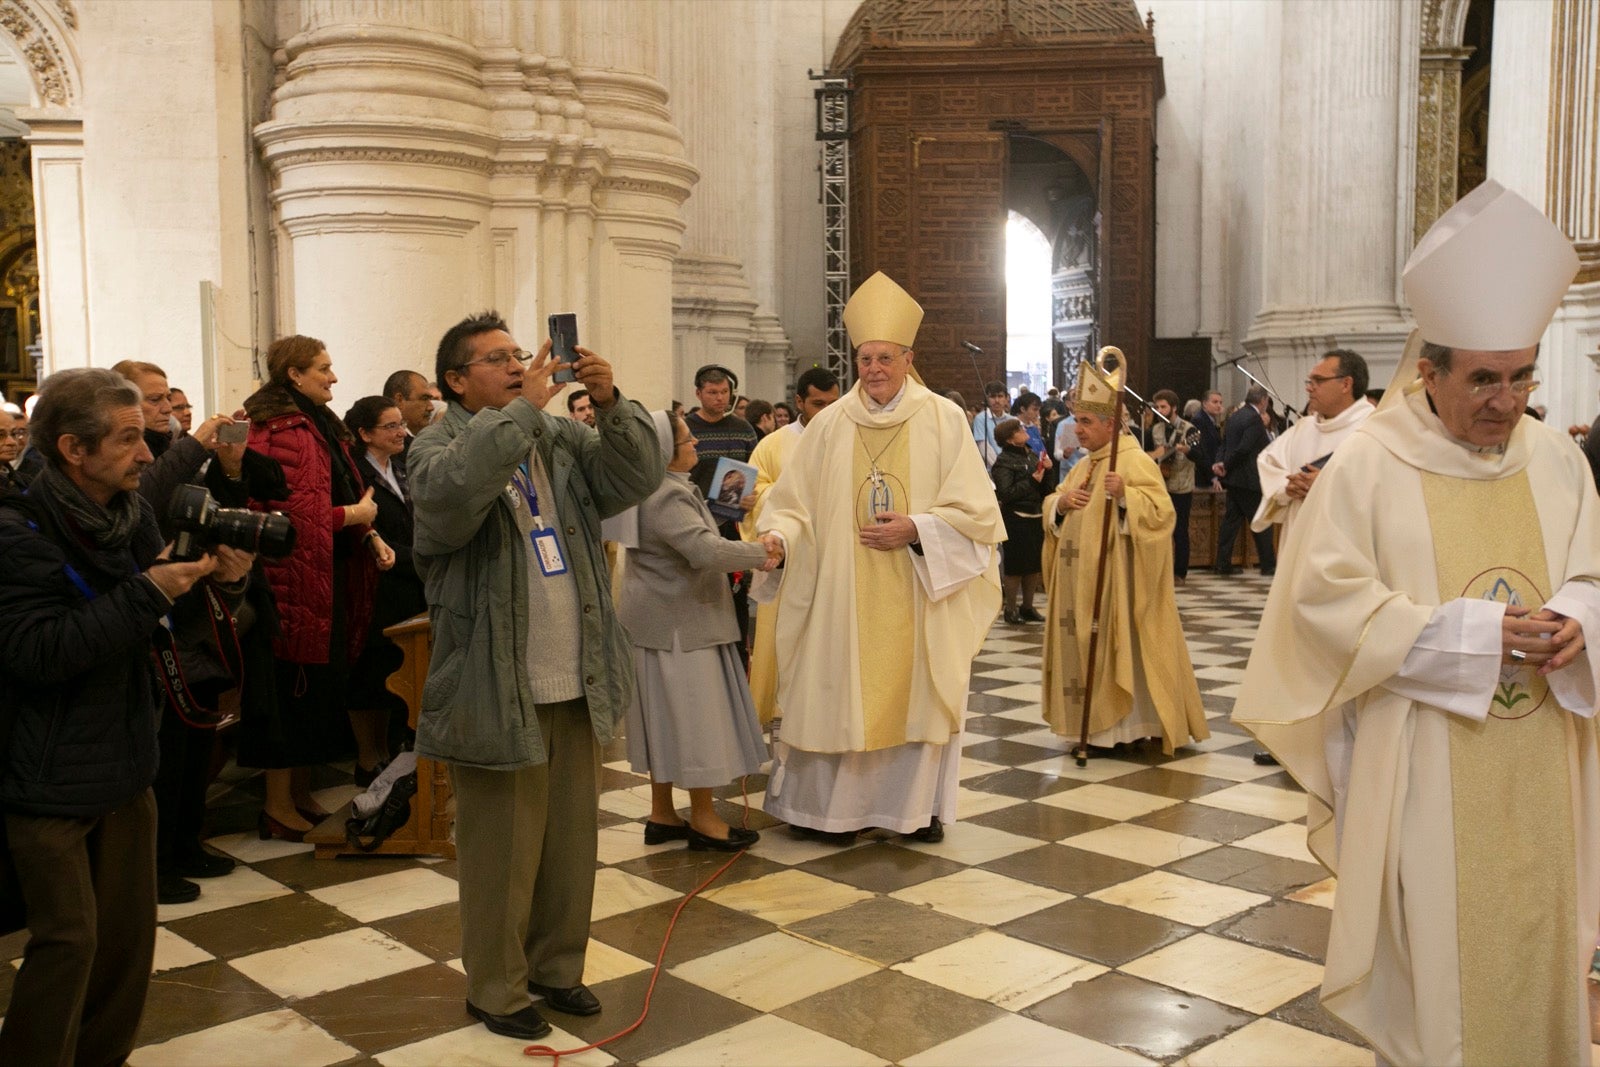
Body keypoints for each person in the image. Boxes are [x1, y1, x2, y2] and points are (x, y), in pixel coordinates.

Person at [1235, 180, 1600, 1067]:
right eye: (1484, 378)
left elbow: (1593, 570)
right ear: (1427, 370)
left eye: (1522, 377)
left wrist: (1579, 619)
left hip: (1546, 755)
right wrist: (1482, 636)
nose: (1506, 402)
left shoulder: (1558, 461)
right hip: (1426, 758)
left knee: (1543, 928)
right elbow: (1323, 604)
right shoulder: (1369, 464)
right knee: (1442, 947)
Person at [409, 310, 662, 1041]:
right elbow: (452, 498)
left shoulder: (551, 435)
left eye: (518, 354)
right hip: (497, 680)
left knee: (567, 844)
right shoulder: (437, 443)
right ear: (455, 381)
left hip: (573, 673)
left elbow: (633, 476)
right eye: (496, 359)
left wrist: (613, 406)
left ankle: (557, 967)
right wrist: (523, 411)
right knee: (501, 851)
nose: (517, 366)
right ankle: (495, 984)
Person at [0, 368, 253, 1066]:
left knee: (125, 942)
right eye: (130, 439)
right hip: (44, 770)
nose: (149, 455)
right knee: (68, 942)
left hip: (126, 754)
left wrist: (218, 575)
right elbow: (37, 652)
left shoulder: (132, 511)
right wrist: (150, 591)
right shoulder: (17, 529)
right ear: (73, 448)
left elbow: (163, 607)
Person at [757, 271, 1003, 845]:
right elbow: (794, 505)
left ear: (907, 358)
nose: (873, 369)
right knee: (834, 690)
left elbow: (977, 512)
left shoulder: (942, 417)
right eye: (865, 358)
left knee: (914, 695)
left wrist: (918, 527)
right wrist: (780, 539)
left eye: (885, 358)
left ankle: (909, 812)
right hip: (840, 595)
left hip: (917, 589)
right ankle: (833, 814)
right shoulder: (830, 424)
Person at [244, 336, 394, 840]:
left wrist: (367, 533)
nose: (333, 377)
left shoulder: (315, 423)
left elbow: (342, 489)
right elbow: (285, 513)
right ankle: (276, 806)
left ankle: (298, 796)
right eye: (323, 368)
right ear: (294, 375)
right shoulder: (279, 428)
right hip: (292, 579)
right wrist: (354, 516)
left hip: (323, 575)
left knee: (313, 697)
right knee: (291, 696)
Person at [621, 411, 774, 852]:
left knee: (664, 721)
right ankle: (704, 819)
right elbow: (702, 551)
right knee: (694, 723)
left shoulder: (646, 487)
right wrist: (761, 553)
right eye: (687, 441)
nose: (696, 447)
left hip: (656, 622)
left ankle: (662, 813)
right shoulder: (665, 495)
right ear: (666, 451)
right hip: (682, 628)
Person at [1040, 358, 1208, 753]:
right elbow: (1054, 502)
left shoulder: (1132, 462)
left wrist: (1126, 498)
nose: (1077, 430)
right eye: (1076, 421)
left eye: (1085, 422)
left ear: (1111, 425)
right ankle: (1094, 728)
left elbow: (1162, 516)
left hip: (1121, 587)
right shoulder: (1084, 465)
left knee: (1123, 651)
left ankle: (1128, 728)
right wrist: (1060, 505)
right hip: (1077, 587)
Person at [741, 366, 840, 725]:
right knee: (784, 650)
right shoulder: (772, 445)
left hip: (836, 563)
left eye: (833, 403)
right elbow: (753, 497)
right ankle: (782, 722)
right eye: (818, 403)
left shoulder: (847, 438)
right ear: (799, 402)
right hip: (790, 564)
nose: (827, 411)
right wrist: (782, 505)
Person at [345, 396, 428, 782]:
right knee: (372, 674)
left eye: (401, 425)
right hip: (375, 582)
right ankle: (368, 756)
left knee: (400, 671)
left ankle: (393, 753)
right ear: (364, 434)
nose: (401, 433)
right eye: (390, 427)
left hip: (411, 577)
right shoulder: (355, 472)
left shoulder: (402, 464)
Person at [1251, 349, 1373, 541]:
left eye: (1318, 381)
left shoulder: (1374, 430)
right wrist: (1287, 487)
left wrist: (1327, 483)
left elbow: (1385, 492)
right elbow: (1268, 462)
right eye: (1309, 382)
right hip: (1298, 538)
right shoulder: (1303, 428)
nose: (1309, 388)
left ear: (1346, 384)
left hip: (1347, 544)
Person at [684, 365, 759, 658]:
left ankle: (738, 661)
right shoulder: (686, 429)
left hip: (733, 523)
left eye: (724, 392)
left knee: (736, 598)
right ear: (698, 393)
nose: (719, 398)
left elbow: (757, 470)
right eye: (712, 392)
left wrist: (752, 496)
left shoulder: (743, 430)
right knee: (700, 596)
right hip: (694, 521)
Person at [1211, 385, 1276, 576]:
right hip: (1249, 480)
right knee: (1261, 520)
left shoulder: (1235, 416)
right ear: (1263, 400)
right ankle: (1269, 564)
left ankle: (1222, 563)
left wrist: (1222, 464)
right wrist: (1226, 465)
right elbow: (1245, 448)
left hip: (1235, 480)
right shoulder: (1254, 419)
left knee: (1231, 522)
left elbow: (1226, 444)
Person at [991, 416, 1049, 624]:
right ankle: (1011, 609)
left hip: (1035, 514)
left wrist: (1047, 470)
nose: (1024, 430)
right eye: (1018, 429)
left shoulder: (1032, 455)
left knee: (1033, 565)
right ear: (1009, 439)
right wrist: (1031, 481)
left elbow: (1044, 488)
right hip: (1016, 517)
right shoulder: (1003, 462)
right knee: (1016, 566)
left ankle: (1028, 607)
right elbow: (1006, 493)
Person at [1147, 389, 1197, 582]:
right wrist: (1155, 455)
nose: (1159, 410)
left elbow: (1200, 456)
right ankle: (1161, 569)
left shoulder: (1189, 429)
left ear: (1174, 408)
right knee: (1159, 530)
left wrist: (1188, 450)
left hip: (1181, 485)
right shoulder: (1156, 429)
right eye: (1157, 407)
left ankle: (1179, 572)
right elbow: (1148, 454)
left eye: (1163, 407)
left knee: (1180, 530)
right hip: (1160, 485)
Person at [384, 369, 441, 442]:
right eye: (424, 399)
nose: (431, 407)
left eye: (430, 399)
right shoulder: (390, 448)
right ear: (399, 400)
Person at [972, 380, 1008, 470]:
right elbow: (983, 447)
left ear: (1006, 398)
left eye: (1000, 396)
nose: (996, 400)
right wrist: (1001, 468)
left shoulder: (1013, 420)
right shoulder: (980, 419)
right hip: (991, 470)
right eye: (992, 396)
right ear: (986, 399)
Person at [1192, 389, 1224, 490]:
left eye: (1220, 402)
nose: (1219, 405)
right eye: (1215, 402)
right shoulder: (1199, 420)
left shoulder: (1212, 421)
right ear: (1205, 404)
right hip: (1204, 477)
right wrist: (1213, 476)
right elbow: (1203, 451)